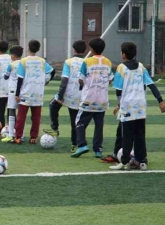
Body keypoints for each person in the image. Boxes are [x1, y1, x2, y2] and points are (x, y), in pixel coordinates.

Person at [109, 42, 165, 170]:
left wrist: (119, 104)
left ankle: (124, 162)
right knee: (140, 134)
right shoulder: (141, 67)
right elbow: (151, 85)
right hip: (140, 106)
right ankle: (142, 161)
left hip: (127, 105)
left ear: (123, 54)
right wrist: (160, 101)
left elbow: (118, 90)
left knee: (127, 135)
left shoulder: (121, 68)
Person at [71, 37, 112, 158]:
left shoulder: (87, 61)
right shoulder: (108, 62)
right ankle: (98, 149)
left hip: (89, 98)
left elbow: (80, 79)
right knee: (99, 125)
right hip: (102, 100)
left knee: (79, 122)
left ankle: (82, 144)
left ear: (91, 49)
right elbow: (110, 79)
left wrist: (84, 84)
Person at [44, 40, 86, 153]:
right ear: (84, 50)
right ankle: (74, 144)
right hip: (80, 94)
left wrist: (60, 96)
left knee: (53, 105)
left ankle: (55, 129)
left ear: (74, 50)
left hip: (68, 93)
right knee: (74, 120)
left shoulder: (69, 62)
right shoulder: (87, 62)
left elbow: (65, 80)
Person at [11, 40, 54, 145]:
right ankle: (33, 137)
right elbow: (52, 71)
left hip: (26, 93)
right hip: (38, 94)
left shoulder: (24, 61)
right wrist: (47, 81)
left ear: (28, 48)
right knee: (36, 117)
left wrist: (17, 94)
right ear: (38, 49)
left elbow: (20, 78)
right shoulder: (42, 61)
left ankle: (18, 137)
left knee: (21, 116)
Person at [1, 46, 24, 143]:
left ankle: (11, 134)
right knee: (21, 113)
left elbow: (6, 77)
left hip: (12, 91)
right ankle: (20, 135)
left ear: (13, 55)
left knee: (11, 111)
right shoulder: (24, 64)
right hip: (23, 91)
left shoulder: (11, 65)